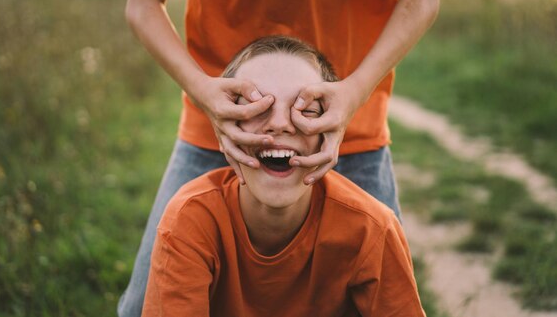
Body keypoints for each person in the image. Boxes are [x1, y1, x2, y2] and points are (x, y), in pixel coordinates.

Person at [113, 0, 440, 315]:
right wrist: (205, 94)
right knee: (141, 306)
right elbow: (143, 3)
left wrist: (352, 94)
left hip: (345, 127)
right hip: (220, 125)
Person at [142, 36, 426, 316]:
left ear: (330, 132)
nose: (279, 124)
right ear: (225, 126)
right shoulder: (189, 220)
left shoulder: (373, 229)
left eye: (307, 110)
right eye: (257, 108)